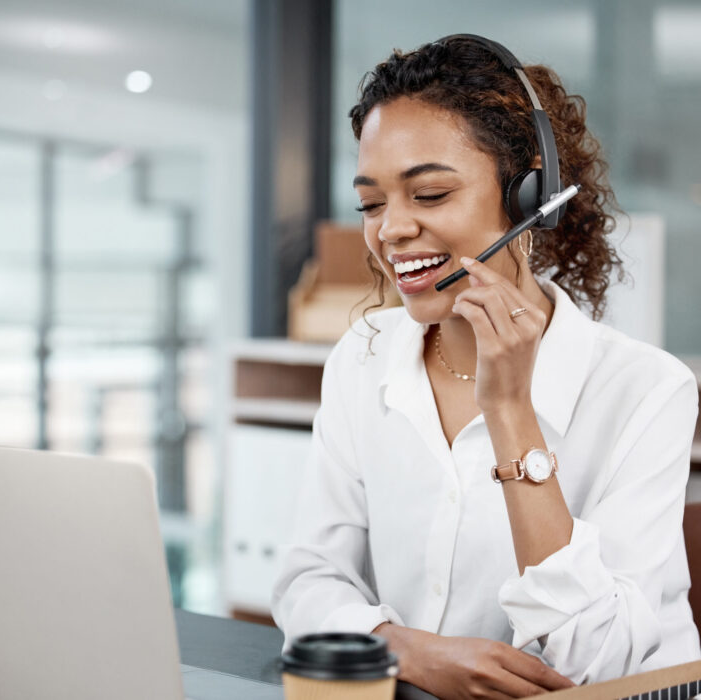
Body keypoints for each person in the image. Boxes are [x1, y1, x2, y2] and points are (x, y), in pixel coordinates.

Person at [271, 35, 701, 699]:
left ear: (528, 197)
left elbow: (604, 664)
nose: (389, 231)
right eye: (372, 203)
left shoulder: (645, 390)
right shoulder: (364, 358)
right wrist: (404, 649)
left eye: (431, 195)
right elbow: (308, 577)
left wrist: (511, 415)